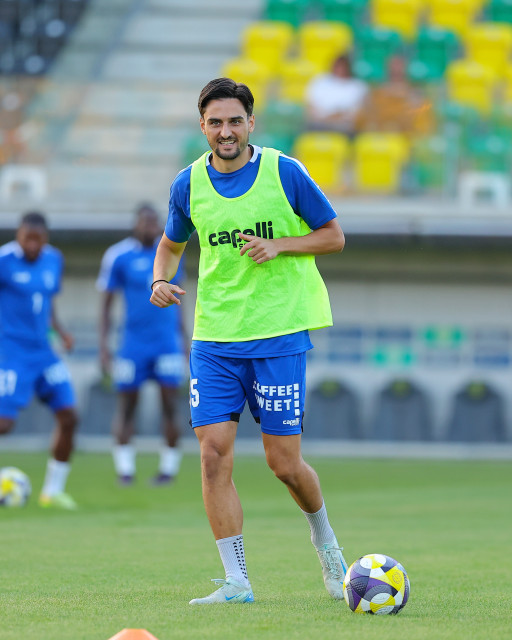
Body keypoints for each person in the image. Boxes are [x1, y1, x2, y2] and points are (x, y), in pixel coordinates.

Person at [151, 77, 347, 605]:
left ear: (251, 123)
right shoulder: (187, 184)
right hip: (214, 340)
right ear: (203, 127)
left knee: (284, 464)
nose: (226, 131)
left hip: (278, 334)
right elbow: (169, 245)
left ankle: (325, 540)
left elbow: (333, 236)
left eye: (235, 121)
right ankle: (236, 581)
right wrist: (159, 280)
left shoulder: (286, 171)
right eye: (215, 122)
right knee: (213, 456)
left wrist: (280, 245)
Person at [97, 204, 186, 486]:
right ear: (135, 224)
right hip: (132, 344)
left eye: (154, 222)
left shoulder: (171, 251)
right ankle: (125, 471)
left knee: (170, 405)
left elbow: (181, 300)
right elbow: (106, 305)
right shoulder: (118, 255)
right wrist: (103, 346)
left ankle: (167, 471)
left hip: (166, 343)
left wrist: (185, 341)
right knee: (127, 406)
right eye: (145, 222)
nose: (150, 227)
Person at [0, 211, 78, 509]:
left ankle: (52, 492)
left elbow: (46, 302)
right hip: (12, 353)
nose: (32, 244)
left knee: (69, 416)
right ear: (18, 236)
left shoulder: (53, 259)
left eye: (38, 239)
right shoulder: (4, 260)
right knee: (4, 424)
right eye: (27, 238)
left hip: (44, 352)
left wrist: (61, 331)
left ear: (45, 238)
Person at [358, 56, 434, 135]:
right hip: (381, 135)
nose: (396, 70)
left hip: (407, 136)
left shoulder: (415, 95)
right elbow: (363, 120)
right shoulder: (376, 94)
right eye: (393, 70)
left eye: (399, 69)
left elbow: (425, 123)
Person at [305, 54, 369, 136]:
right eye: (338, 66)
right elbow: (311, 107)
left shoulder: (358, 86)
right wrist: (327, 119)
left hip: (346, 126)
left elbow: (358, 113)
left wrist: (338, 117)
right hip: (320, 124)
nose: (340, 69)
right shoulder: (319, 82)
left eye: (343, 66)